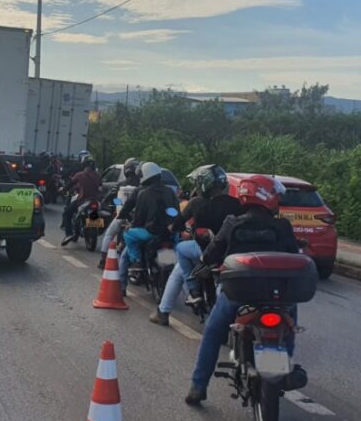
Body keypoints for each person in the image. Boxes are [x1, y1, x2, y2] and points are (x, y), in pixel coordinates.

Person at [185, 174, 304, 405]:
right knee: (290, 323)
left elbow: (211, 254)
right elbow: (294, 255)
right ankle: (286, 363)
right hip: (276, 297)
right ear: (266, 196)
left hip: (238, 295)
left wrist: (205, 262)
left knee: (212, 332)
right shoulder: (282, 225)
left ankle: (198, 386)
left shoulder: (232, 223)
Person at [149, 164, 242, 326]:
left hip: (205, 250)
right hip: (231, 252)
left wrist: (172, 228)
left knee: (181, 251)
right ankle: (164, 310)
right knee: (178, 270)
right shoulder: (237, 203)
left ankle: (191, 292)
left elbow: (178, 222)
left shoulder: (197, 202)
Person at [117, 162, 179, 293]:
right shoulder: (170, 191)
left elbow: (138, 218)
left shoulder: (143, 193)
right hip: (170, 233)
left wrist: (130, 225)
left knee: (126, 242)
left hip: (150, 232)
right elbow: (176, 212)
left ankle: (132, 269)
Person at [98, 157, 141, 269]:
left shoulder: (122, 184)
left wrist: (108, 201)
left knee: (109, 234)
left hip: (123, 214)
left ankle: (103, 260)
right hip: (139, 217)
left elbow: (110, 196)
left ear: (127, 170)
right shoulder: (143, 185)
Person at [61, 155, 101, 246]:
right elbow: (100, 187)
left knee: (67, 213)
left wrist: (63, 190)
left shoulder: (79, 175)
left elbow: (69, 184)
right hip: (95, 201)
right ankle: (94, 226)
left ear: (83, 164)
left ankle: (68, 234)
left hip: (82, 200)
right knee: (96, 214)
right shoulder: (98, 176)